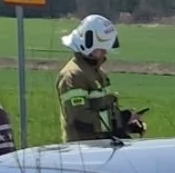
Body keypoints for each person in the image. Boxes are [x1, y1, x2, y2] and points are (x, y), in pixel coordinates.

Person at [55, 14, 146, 143]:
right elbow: (80, 119)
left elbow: (104, 113)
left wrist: (127, 125)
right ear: (86, 44)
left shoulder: (98, 73)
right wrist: (121, 119)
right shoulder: (72, 76)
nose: (105, 52)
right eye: (101, 47)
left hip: (101, 148)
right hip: (83, 152)